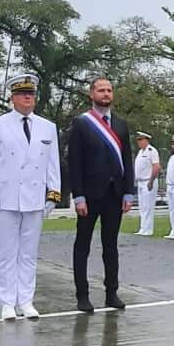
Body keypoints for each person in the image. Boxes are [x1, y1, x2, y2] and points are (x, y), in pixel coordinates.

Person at [0, 73, 60, 321]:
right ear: (12, 97)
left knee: (28, 253)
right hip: (6, 198)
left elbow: (52, 163)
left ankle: (26, 300)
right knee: (6, 253)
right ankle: (7, 302)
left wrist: (53, 193)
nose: (27, 97)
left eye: (31, 93)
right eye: (22, 94)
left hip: (34, 198)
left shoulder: (48, 127)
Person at [65, 76, 134, 314]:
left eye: (109, 90)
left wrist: (128, 192)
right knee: (82, 244)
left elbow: (127, 160)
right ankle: (82, 295)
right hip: (90, 195)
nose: (106, 94)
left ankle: (111, 292)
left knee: (111, 245)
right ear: (91, 94)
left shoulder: (122, 125)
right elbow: (74, 162)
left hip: (114, 194)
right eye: (101, 90)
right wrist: (78, 196)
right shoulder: (82, 123)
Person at [132, 132, 160, 236]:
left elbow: (156, 166)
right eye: (138, 140)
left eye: (141, 140)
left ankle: (148, 229)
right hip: (140, 182)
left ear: (146, 140)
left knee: (148, 206)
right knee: (142, 206)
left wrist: (151, 181)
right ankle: (143, 228)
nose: (139, 142)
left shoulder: (151, 151)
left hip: (148, 181)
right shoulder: (140, 152)